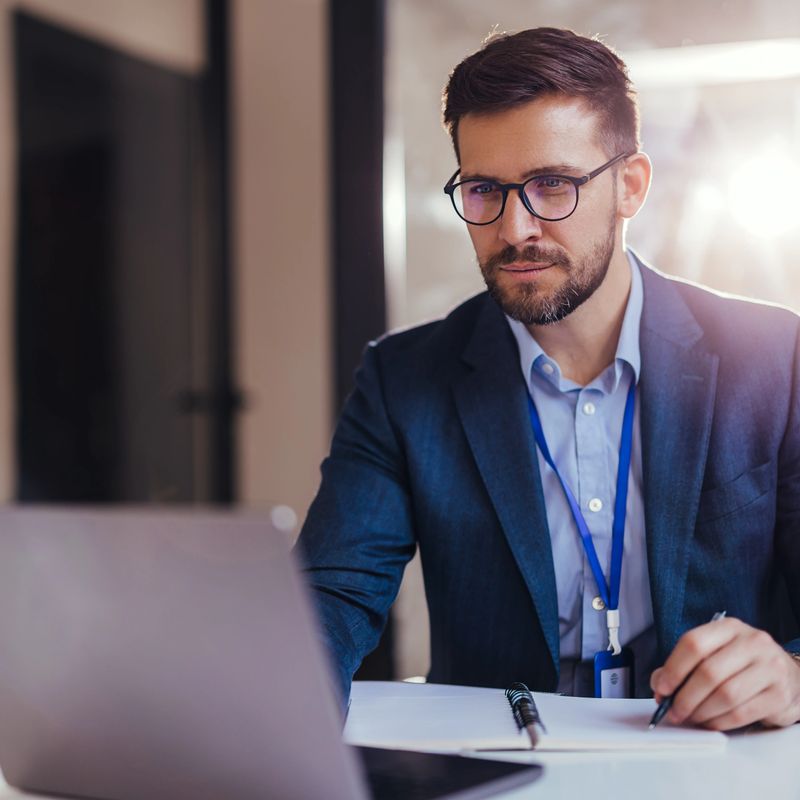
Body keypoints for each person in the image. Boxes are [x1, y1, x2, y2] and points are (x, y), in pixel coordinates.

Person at [296, 27, 800, 730]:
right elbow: (331, 596)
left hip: (711, 760)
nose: (514, 228)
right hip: (504, 768)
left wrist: (793, 674)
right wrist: (280, 708)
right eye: (483, 191)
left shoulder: (775, 357)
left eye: (552, 185)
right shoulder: (403, 379)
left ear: (630, 186)